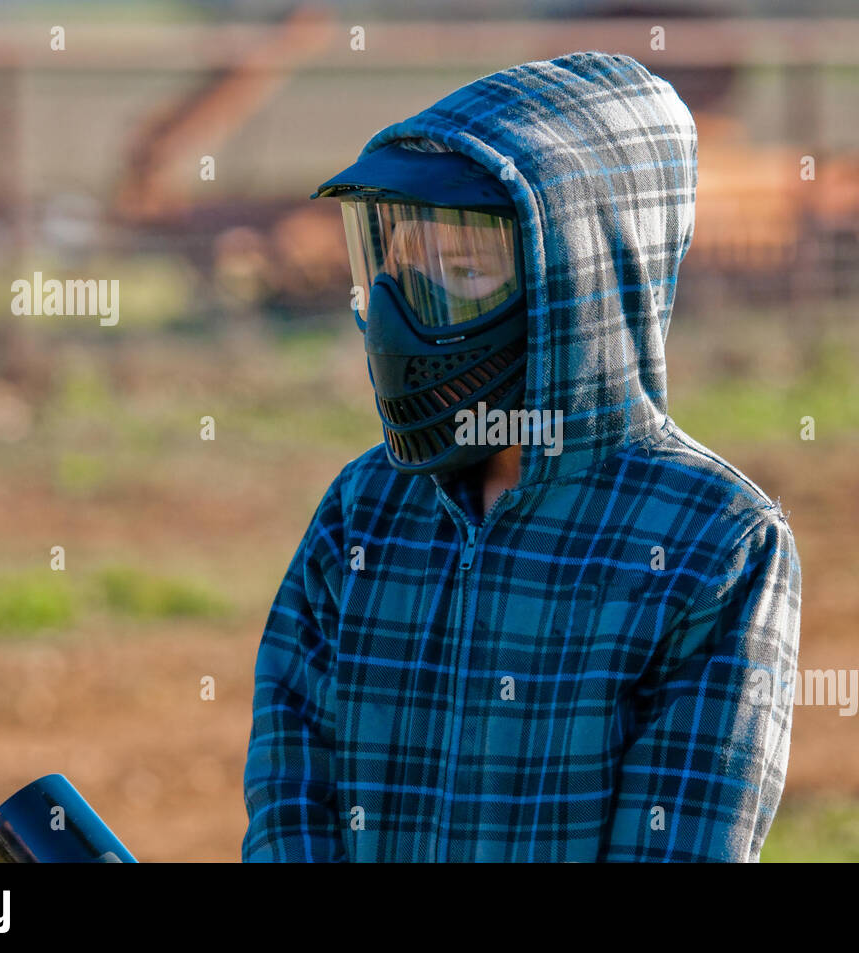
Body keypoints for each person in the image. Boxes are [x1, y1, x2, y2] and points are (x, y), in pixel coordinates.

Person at [242, 50, 801, 863]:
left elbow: (681, 842)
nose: (403, 317)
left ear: (581, 286)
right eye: (398, 271)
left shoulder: (716, 542)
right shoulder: (364, 508)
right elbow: (290, 787)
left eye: (462, 274)